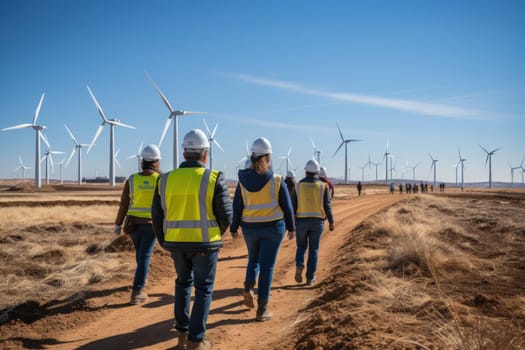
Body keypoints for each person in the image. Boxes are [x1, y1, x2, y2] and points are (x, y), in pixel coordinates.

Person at [152, 129, 232, 350]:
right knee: (204, 289)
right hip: (205, 244)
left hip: (176, 243)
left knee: (182, 284)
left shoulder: (165, 179)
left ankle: (181, 335)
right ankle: (196, 340)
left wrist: (164, 241)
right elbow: (226, 215)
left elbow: (157, 216)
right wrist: (215, 233)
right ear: (204, 154)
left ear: (184, 153)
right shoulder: (213, 178)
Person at [230, 137, 295, 322]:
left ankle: (248, 287)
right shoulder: (276, 180)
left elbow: (237, 206)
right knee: (267, 267)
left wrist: (234, 227)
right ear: (268, 156)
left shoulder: (242, 180)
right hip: (273, 228)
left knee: (253, 260)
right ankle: (262, 309)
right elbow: (287, 206)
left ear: (252, 156)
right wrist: (291, 227)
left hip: (250, 228)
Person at [114, 144, 162, 305]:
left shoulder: (132, 179)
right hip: (151, 224)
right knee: (145, 256)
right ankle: (137, 291)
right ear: (156, 162)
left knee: (141, 254)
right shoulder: (161, 179)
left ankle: (141, 278)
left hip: (132, 224)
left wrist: (117, 224)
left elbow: (124, 204)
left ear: (143, 161)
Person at [292, 160, 334, 286]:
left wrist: (291, 223)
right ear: (317, 172)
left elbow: (292, 206)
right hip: (317, 222)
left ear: (305, 171)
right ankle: (310, 277)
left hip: (301, 221)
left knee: (301, 246)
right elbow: (327, 206)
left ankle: (300, 265)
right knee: (314, 249)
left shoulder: (298, 186)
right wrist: (331, 221)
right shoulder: (323, 186)